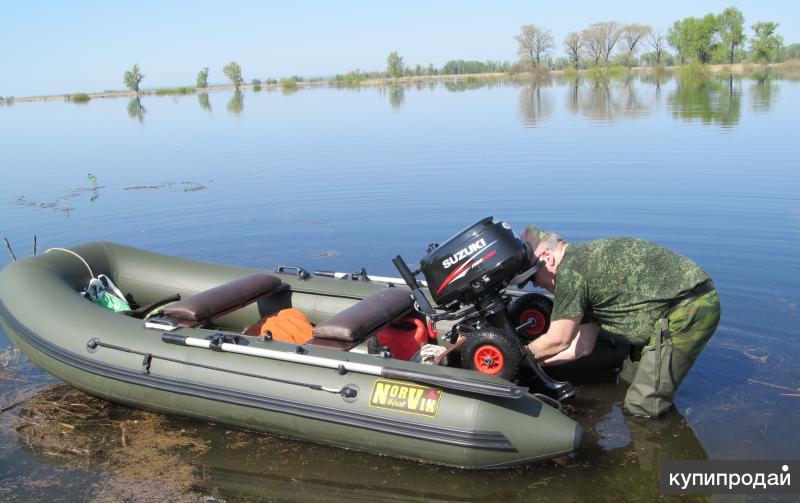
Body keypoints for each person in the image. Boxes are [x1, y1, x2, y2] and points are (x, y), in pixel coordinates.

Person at [521, 225, 720, 418]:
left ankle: (653, 436)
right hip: (665, 309)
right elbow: (582, 347)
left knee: (641, 407)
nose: (536, 285)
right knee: (626, 382)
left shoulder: (570, 274)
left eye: (532, 277)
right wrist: (536, 364)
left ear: (547, 258)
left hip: (689, 308)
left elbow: (558, 340)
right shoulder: (579, 264)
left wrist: (518, 357)